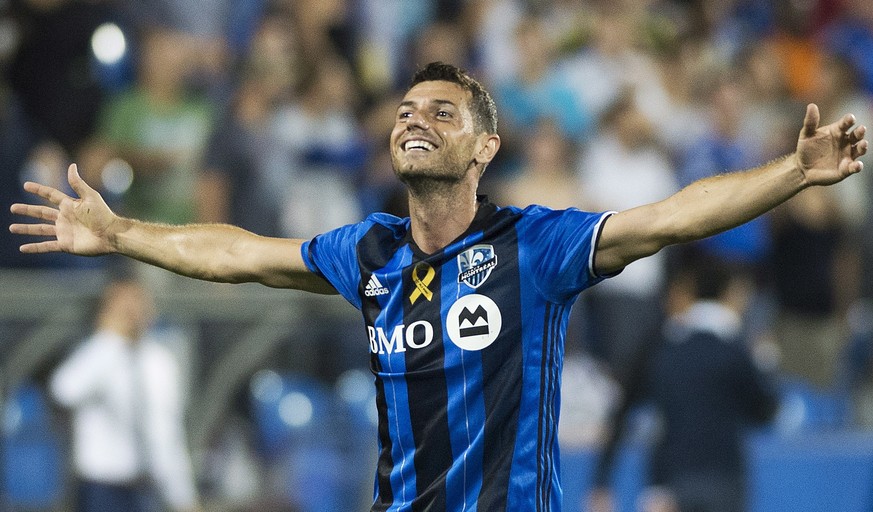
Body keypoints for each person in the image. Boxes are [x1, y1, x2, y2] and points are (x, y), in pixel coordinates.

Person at [9, 62, 867, 511]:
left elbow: (672, 217)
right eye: (404, 112)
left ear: (485, 148)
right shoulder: (366, 250)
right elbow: (235, 253)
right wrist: (119, 232)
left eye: (441, 113)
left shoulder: (536, 244)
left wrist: (789, 172)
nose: (414, 119)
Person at [587, 252, 780, 512]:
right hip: (725, 483)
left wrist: (602, 482)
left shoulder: (661, 348)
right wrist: (765, 364)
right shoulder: (737, 351)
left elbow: (622, 411)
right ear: (729, 294)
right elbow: (766, 412)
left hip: (668, 483)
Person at [49, 277, 202, 512]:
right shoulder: (99, 353)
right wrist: (110, 339)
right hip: (100, 488)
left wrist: (182, 495)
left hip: (145, 486)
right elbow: (64, 390)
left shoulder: (159, 361)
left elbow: (166, 432)